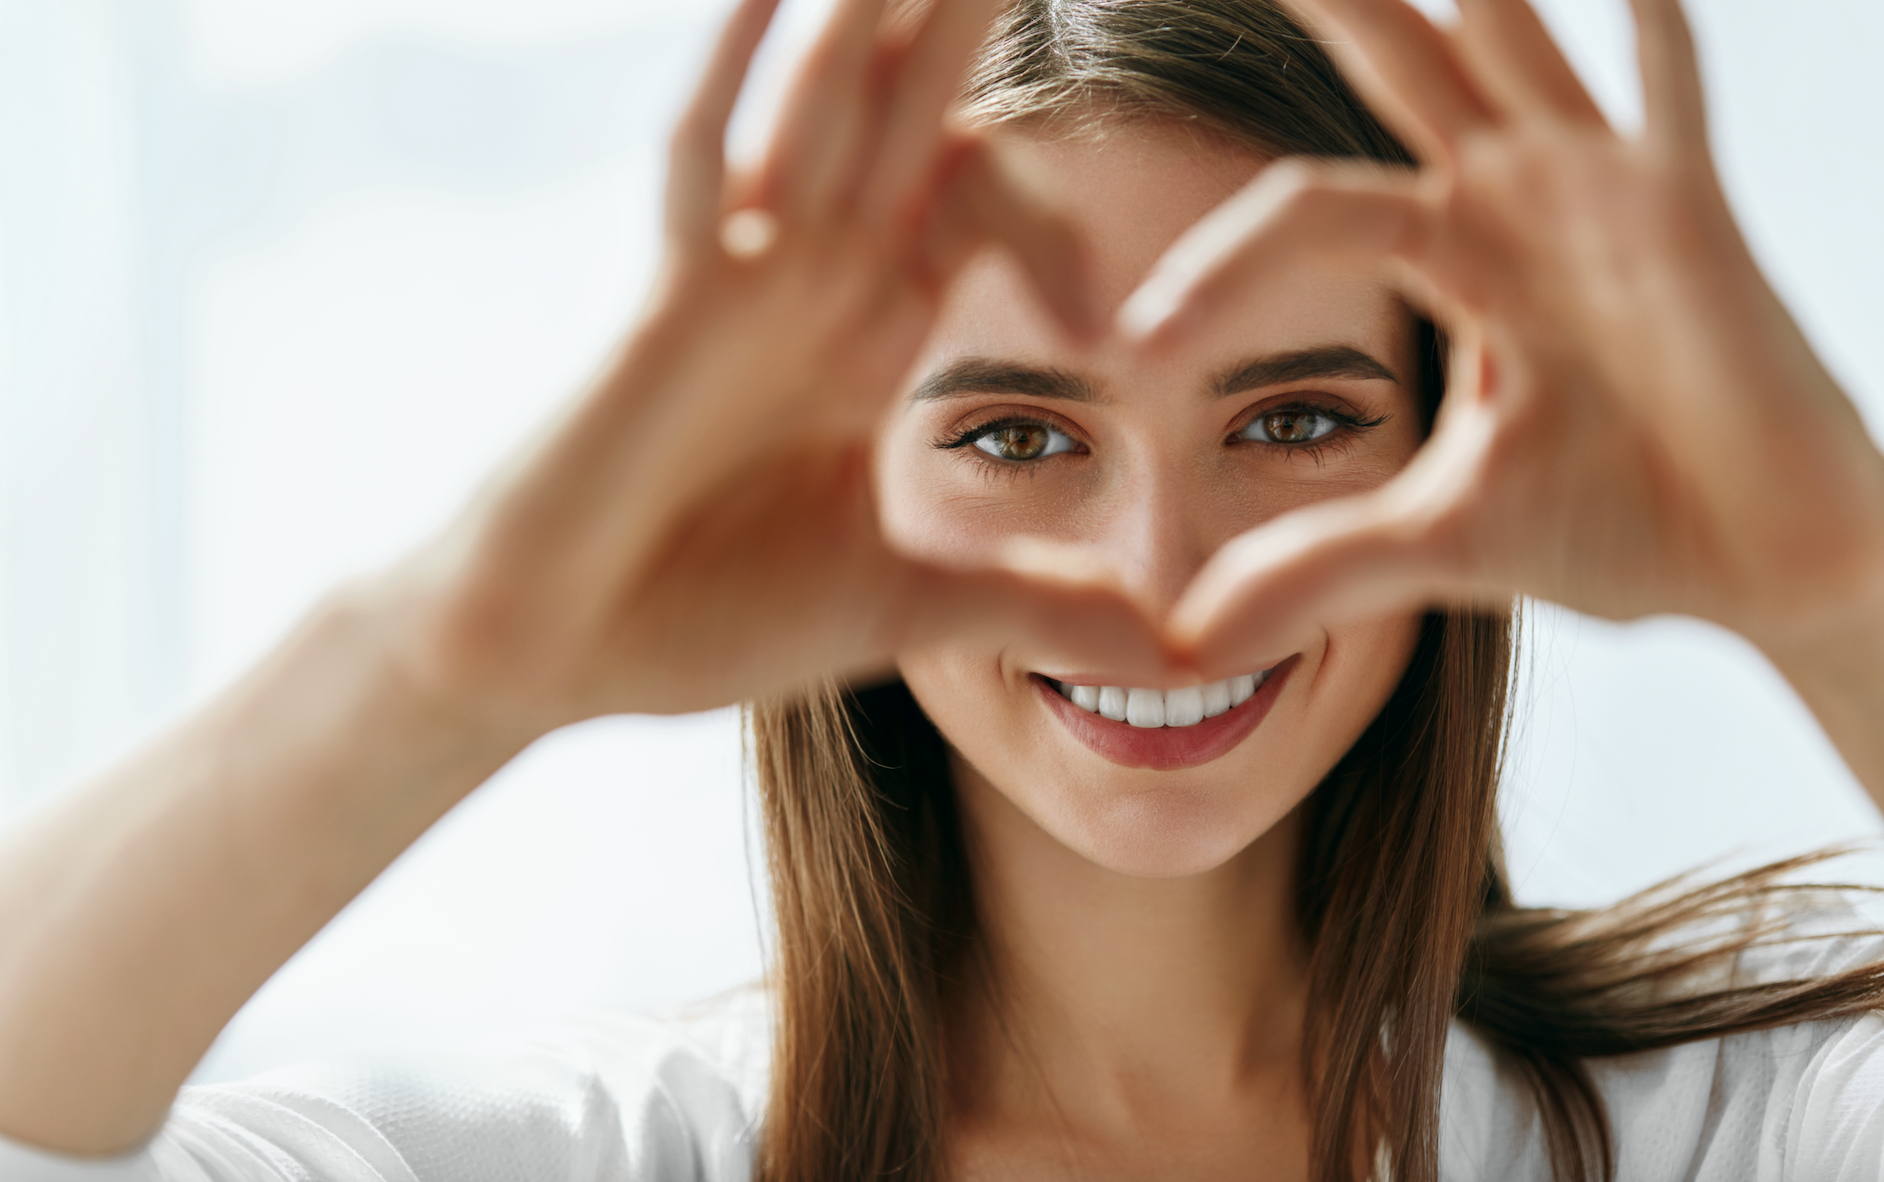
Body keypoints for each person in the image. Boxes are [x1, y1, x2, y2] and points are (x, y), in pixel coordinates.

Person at [2, 0, 1883, 1178]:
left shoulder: (1735, 1134)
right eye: (1015, 435)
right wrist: (450, 659)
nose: (1163, 580)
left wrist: (1836, 579)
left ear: (1453, 449)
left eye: (1298, 416)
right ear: (845, 470)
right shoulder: (601, 1154)